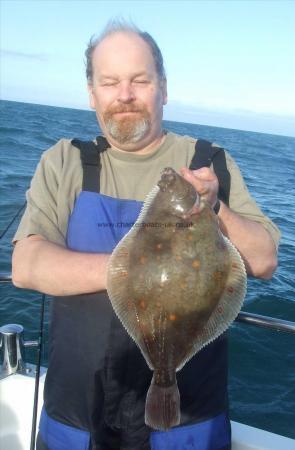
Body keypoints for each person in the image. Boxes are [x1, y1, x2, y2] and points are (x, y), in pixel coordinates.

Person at [12, 20, 280, 450]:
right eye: (110, 82)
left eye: (140, 80)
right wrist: (136, 269)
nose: (125, 95)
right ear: (92, 93)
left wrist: (215, 208)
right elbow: (26, 268)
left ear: (163, 88)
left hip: (190, 418)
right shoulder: (65, 161)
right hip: (79, 412)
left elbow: (265, 262)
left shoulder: (210, 162)